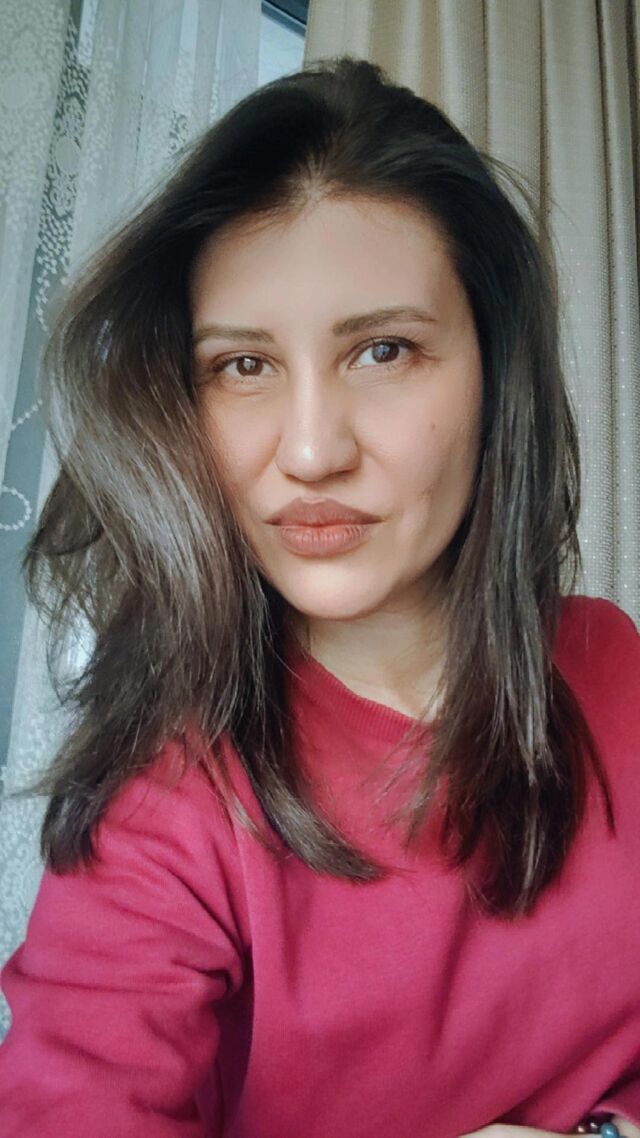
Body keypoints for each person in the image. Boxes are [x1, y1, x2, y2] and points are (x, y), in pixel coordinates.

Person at [0, 53, 638, 1138]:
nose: (308, 451)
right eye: (243, 366)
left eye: (382, 350)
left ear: (495, 374)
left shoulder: (610, 659)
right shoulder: (168, 798)